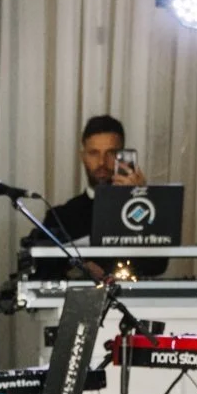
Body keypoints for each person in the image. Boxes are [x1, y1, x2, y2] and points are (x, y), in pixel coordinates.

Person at [25, 115, 168, 279]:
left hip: (134, 302)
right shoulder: (61, 216)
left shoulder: (143, 208)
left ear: (123, 156)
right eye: (94, 153)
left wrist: (140, 198)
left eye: (111, 153)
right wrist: (78, 269)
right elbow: (44, 270)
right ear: (83, 156)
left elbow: (158, 264)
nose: (101, 162)